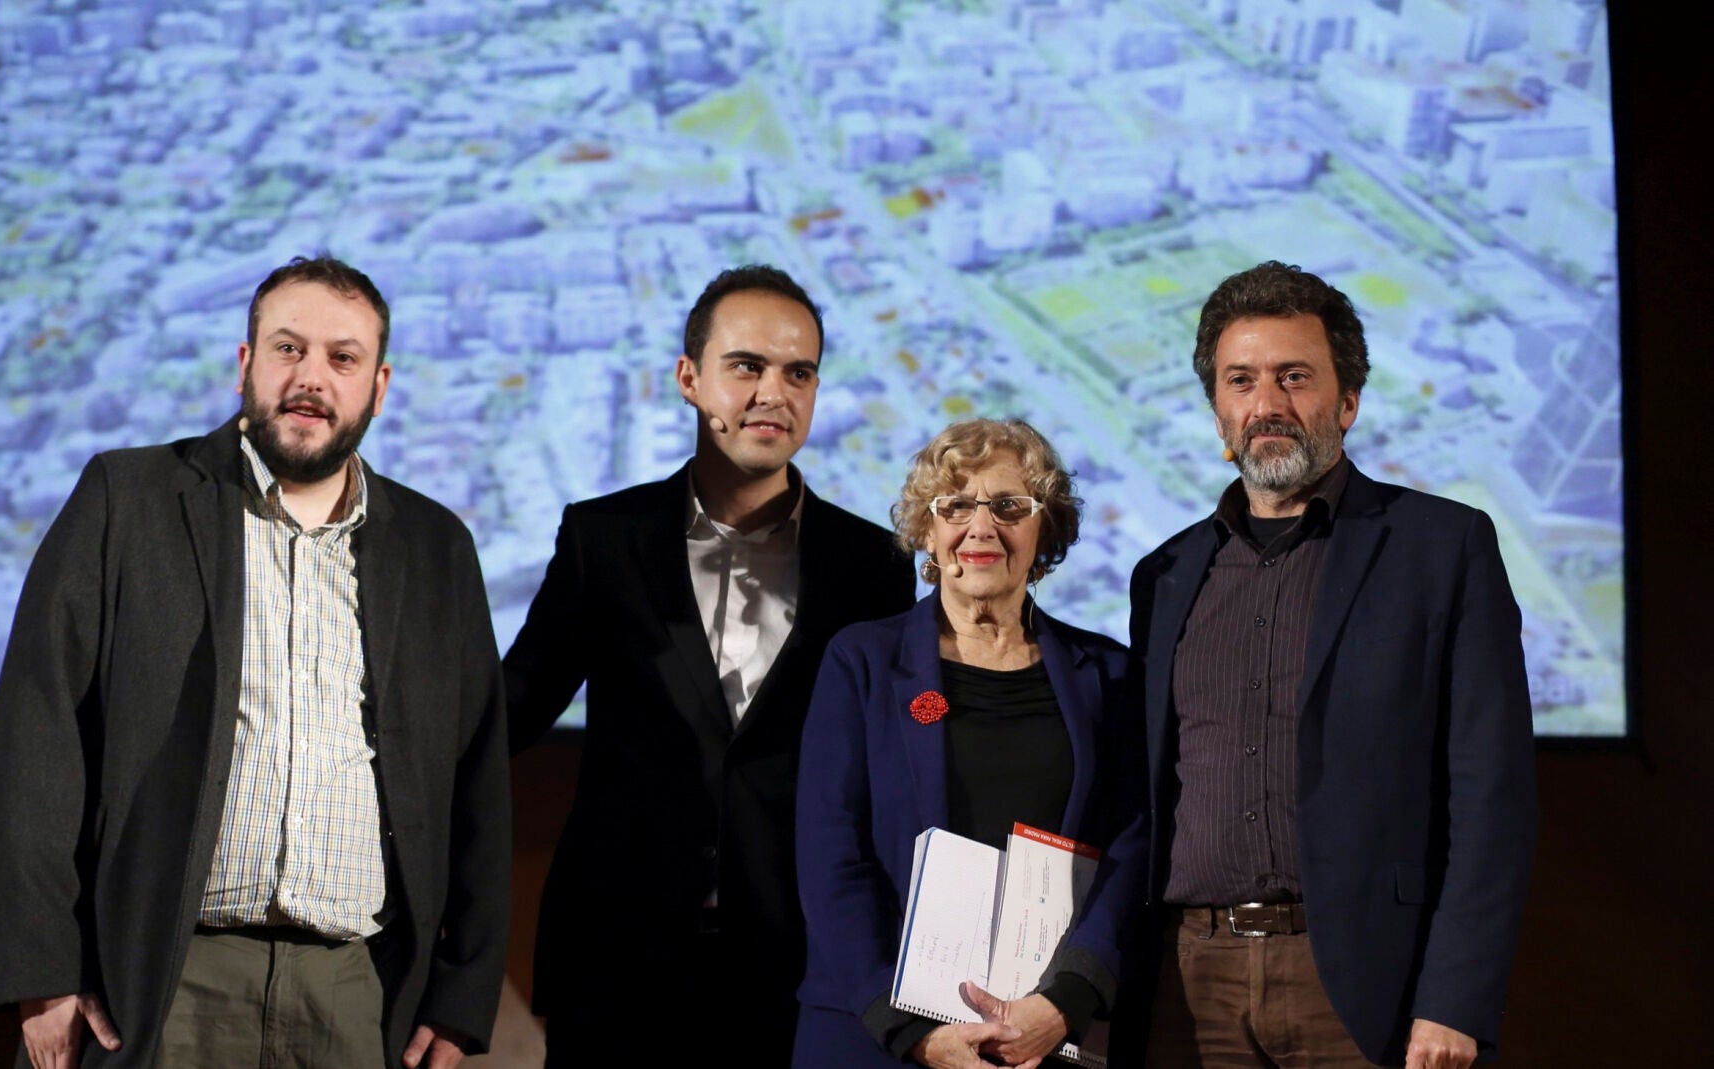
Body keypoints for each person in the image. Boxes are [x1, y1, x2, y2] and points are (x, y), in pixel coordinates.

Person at [0, 256, 511, 1069]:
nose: (311, 378)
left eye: (343, 358)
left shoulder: (438, 547)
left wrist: (466, 987)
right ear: (245, 365)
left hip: (355, 994)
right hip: (160, 980)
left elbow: (478, 775)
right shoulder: (128, 499)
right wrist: (42, 966)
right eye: (287, 349)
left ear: (380, 383)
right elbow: (38, 729)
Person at [503, 264, 916, 1066]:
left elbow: (888, 768)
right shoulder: (603, 538)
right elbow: (509, 713)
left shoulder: (872, 563)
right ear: (689, 378)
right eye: (747, 366)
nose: (774, 391)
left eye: (799, 372)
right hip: (616, 970)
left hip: (796, 975)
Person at [1128, 261, 1536, 1068]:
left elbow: (1494, 798)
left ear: (1347, 400)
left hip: (1362, 984)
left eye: (1294, 377)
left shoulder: (1442, 547)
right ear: (1218, 410)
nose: (1267, 404)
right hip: (1187, 984)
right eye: (1240, 380)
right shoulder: (1164, 575)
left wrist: (1453, 999)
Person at [795, 418, 1149, 1069]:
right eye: (956, 505)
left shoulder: (1110, 674)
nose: (982, 527)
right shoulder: (860, 662)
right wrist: (913, 1033)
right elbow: (830, 858)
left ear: (1044, 529)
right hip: (876, 1037)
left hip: (1042, 1039)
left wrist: (1063, 1002)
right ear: (927, 530)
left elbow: (1132, 845)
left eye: (1010, 506)